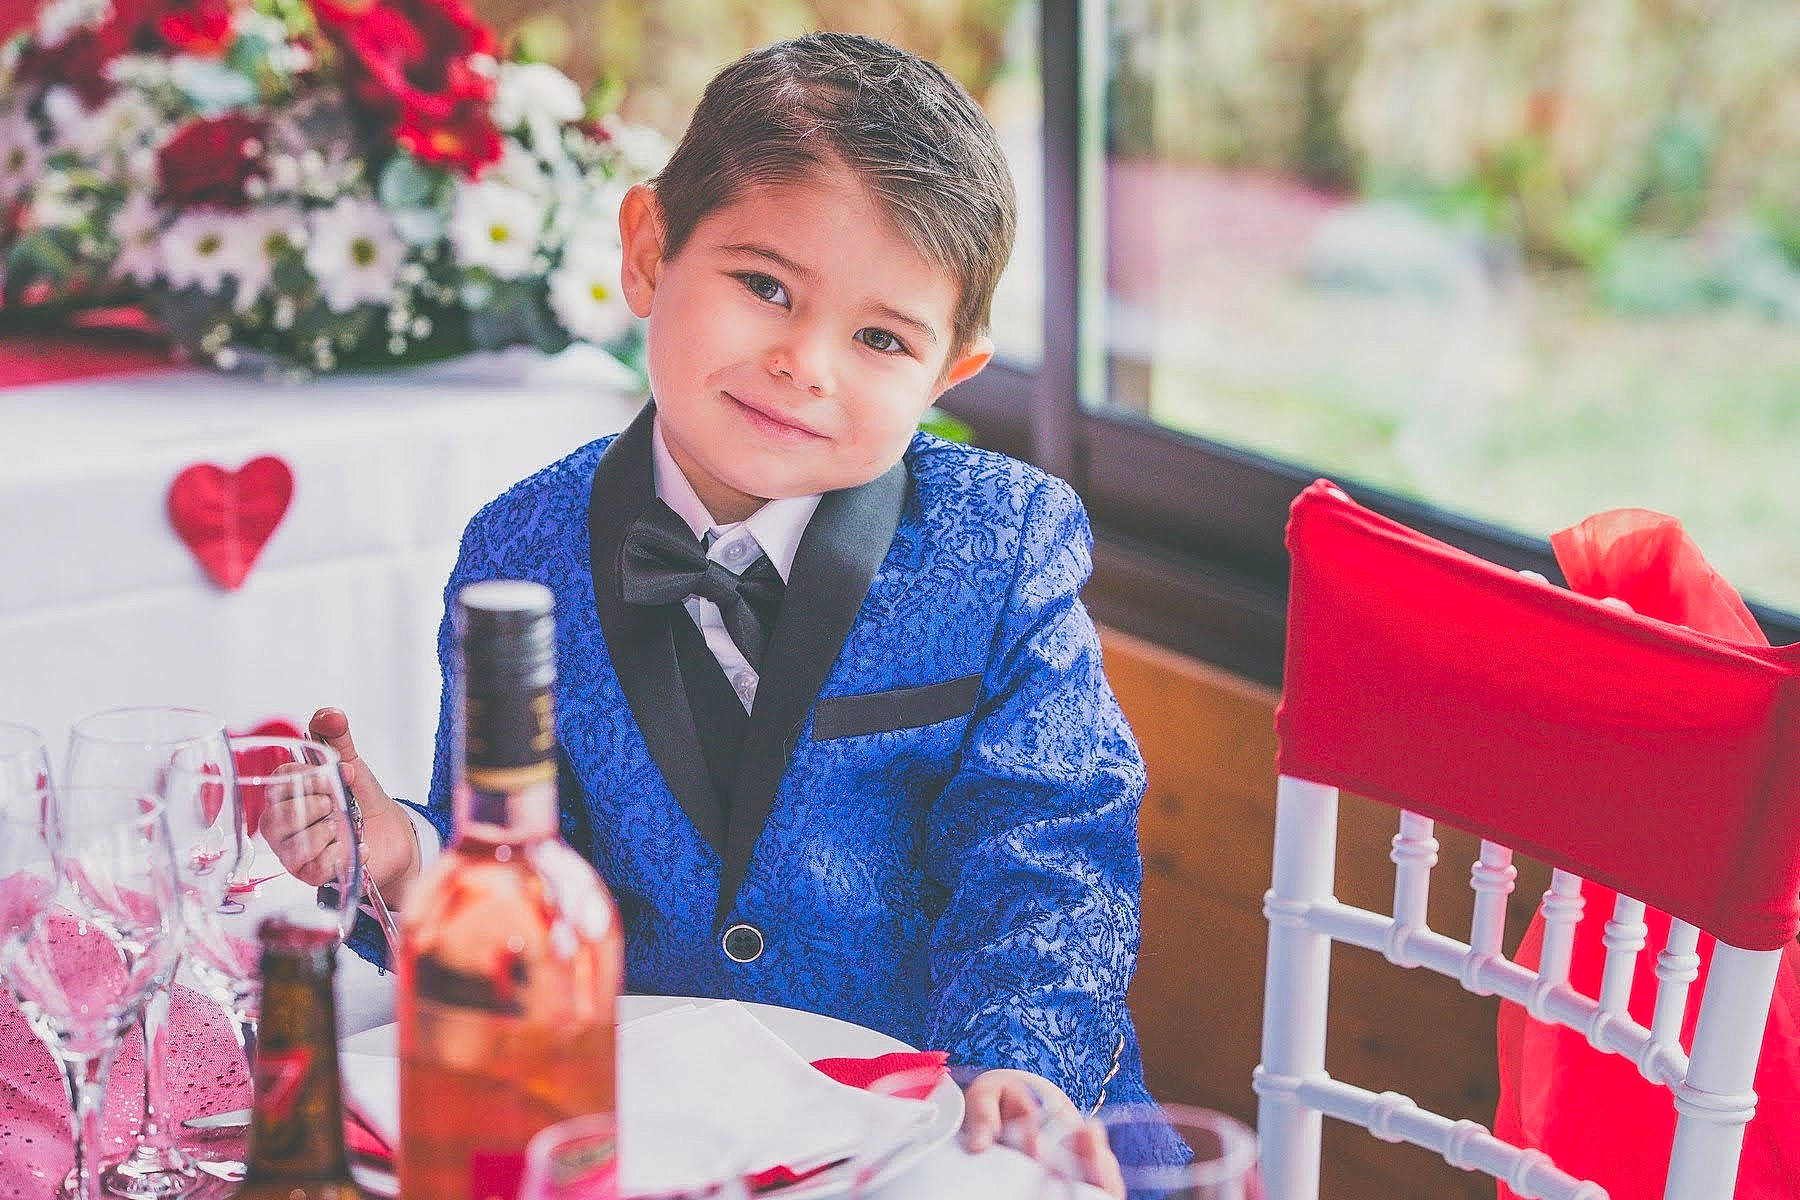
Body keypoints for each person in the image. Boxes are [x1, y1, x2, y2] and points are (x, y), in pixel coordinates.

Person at [270, 31, 1175, 1191]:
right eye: (765, 287)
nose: (806, 363)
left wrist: (1023, 1059)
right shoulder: (519, 544)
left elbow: (1050, 848)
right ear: (648, 252)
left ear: (951, 370)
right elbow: (516, 863)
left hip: (945, 1121)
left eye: (881, 338)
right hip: (650, 1128)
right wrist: (403, 857)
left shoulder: (1004, 543)